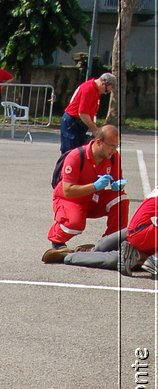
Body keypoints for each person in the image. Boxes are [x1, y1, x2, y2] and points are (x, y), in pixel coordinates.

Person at [44, 125, 128, 254]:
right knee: (75, 224)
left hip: (93, 199)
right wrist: (94, 186)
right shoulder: (76, 156)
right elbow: (68, 190)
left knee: (121, 198)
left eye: (116, 146)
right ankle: (57, 240)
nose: (114, 150)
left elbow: (115, 181)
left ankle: (111, 241)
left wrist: (118, 185)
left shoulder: (114, 157)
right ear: (99, 142)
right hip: (70, 199)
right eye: (111, 146)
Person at [42, 188, 158, 275]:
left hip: (138, 228)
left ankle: (91, 251)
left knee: (130, 236)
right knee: (125, 258)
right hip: (143, 232)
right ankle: (68, 256)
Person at [59, 72, 116, 153]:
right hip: (72, 123)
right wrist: (95, 130)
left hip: (79, 123)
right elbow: (82, 113)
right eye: (106, 91)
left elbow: (90, 113)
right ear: (103, 83)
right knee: (70, 153)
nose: (104, 93)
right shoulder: (89, 89)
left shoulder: (96, 91)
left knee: (80, 153)